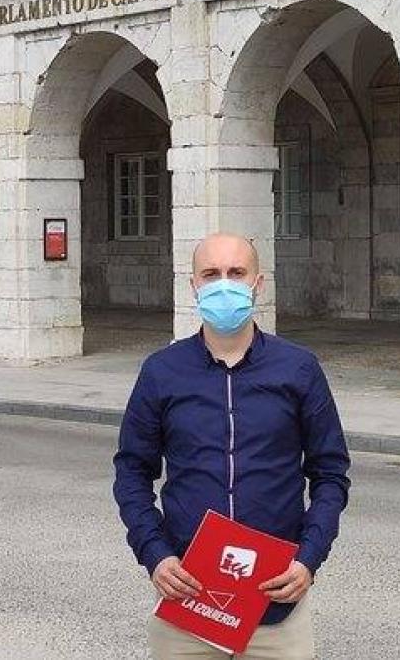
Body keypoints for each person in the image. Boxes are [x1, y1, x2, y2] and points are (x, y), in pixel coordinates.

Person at [114, 232, 351, 660]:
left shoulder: (298, 369)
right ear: (194, 286)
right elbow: (132, 471)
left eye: (236, 273)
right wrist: (155, 554)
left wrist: (308, 559)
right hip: (189, 600)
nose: (224, 284)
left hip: (277, 606)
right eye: (211, 274)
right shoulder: (162, 372)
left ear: (257, 284)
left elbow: (330, 474)